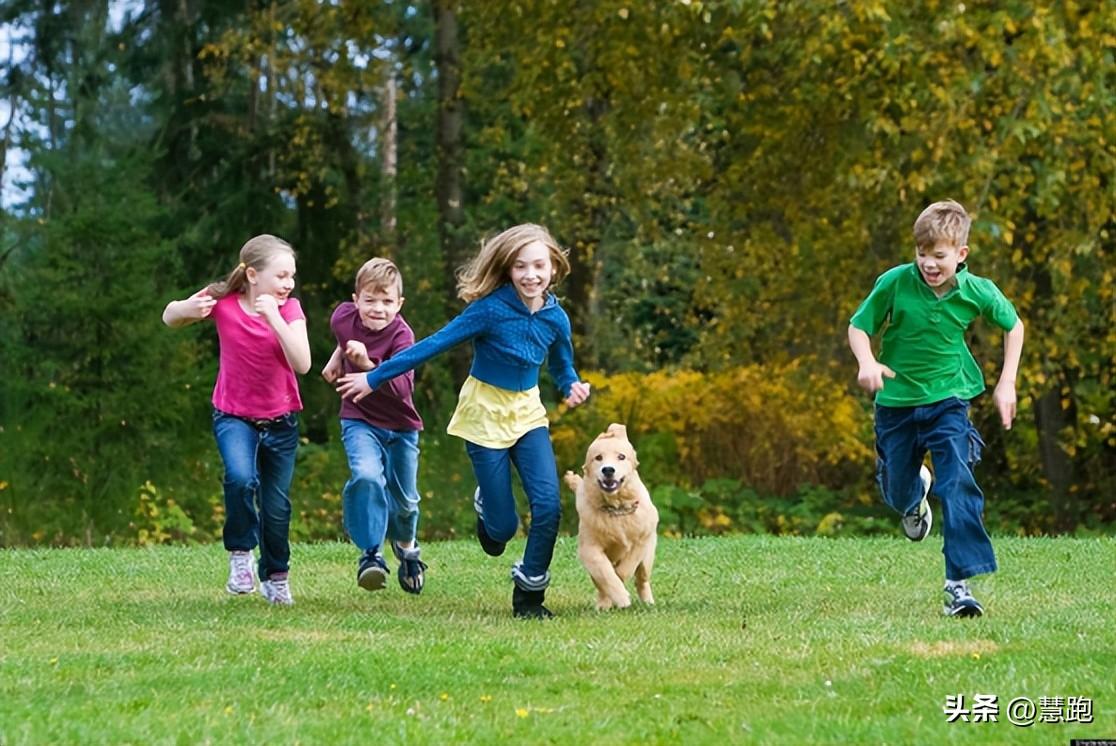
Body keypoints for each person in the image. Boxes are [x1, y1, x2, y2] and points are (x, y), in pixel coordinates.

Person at [336, 224, 591, 619]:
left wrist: (571, 384)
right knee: (500, 533)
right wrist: (374, 377)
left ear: (553, 268)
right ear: (508, 270)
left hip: (527, 414)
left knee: (549, 507)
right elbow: (432, 345)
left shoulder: (556, 319)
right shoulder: (489, 310)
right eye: (520, 266)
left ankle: (529, 597)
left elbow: (562, 364)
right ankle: (489, 508)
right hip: (483, 414)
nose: (530, 275)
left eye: (539, 266)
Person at [848, 199, 1024, 618]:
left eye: (939, 255)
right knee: (897, 490)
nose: (928, 263)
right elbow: (859, 325)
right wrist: (867, 361)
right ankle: (912, 497)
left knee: (959, 480)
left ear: (960, 255)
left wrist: (1007, 382)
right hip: (896, 405)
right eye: (921, 253)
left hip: (948, 401)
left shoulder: (977, 291)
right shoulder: (895, 282)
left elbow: (1013, 325)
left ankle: (958, 585)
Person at [162, 234, 310, 606]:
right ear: (252, 274)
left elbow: (303, 363)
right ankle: (240, 557)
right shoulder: (223, 301)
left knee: (276, 508)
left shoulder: (288, 310)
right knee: (241, 479)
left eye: (291, 276)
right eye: (281, 276)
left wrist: (274, 318)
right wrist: (185, 308)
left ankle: (276, 576)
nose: (288, 284)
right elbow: (169, 316)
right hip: (233, 417)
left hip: (281, 421)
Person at [322, 258, 428, 595]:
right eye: (369, 300)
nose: (377, 309)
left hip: (401, 425)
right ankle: (371, 554)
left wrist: (368, 365)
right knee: (367, 476)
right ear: (355, 300)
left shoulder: (403, 335)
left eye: (387, 302)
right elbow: (343, 332)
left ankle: (407, 547)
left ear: (399, 304)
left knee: (406, 500)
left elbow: (402, 388)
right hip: (360, 419)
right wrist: (338, 354)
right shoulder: (343, 317)